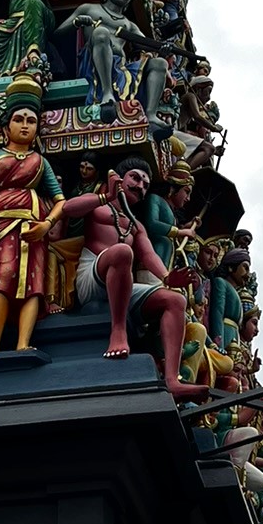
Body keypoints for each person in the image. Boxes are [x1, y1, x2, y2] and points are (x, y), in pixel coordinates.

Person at [59, 163, 207, 400]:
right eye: (135, 178)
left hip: (122, 285)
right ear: (118, 178)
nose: (140, 186)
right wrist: (105, 196)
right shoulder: (99, 204)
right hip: (91, 276)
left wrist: (168, 277)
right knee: (122, 253)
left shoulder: (136, 225)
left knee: (174, 300)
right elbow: (68, 208)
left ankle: (172, 380)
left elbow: (148, 255)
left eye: (146, 185)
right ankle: (118, 331)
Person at [0, 80, 64, 353]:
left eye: (31, 121)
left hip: (34, 225)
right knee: (6, 274)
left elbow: (60, 201)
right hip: (2, 225)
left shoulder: (40, 161)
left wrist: (46, 225)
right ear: (6, 128)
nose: (25, 125)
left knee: (33, 283)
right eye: (19, 119)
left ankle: (24, 343)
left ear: (37, 130)